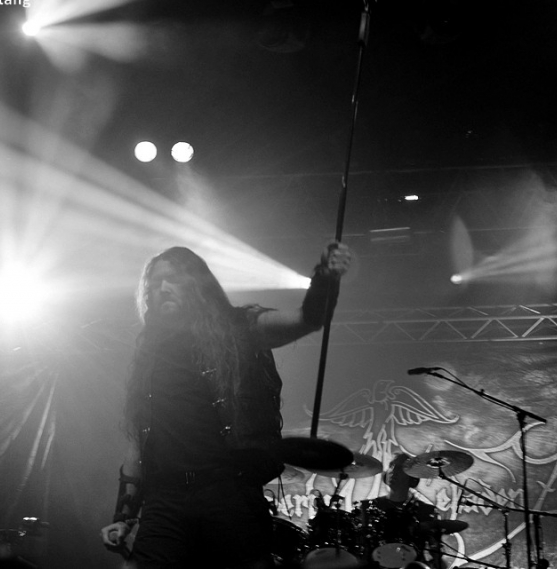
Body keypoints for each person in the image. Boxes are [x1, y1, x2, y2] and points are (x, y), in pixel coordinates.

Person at [99, 243, 351, 569]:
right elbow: (138, 439)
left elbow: (306, 320)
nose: (162, 288)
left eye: (173, 279)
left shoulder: (238, 329)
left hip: (228, 491)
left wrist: (325, 278)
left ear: (197, 284)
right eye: (154, 283)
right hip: (166, 498)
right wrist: (124, 516)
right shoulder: (149, 352)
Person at [357, 454, 440, 569]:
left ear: (412, 477)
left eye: (400, 468)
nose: (393, 471)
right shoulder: (368, 507)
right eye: (391, 466)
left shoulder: (425, 511)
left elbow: (435, 551)